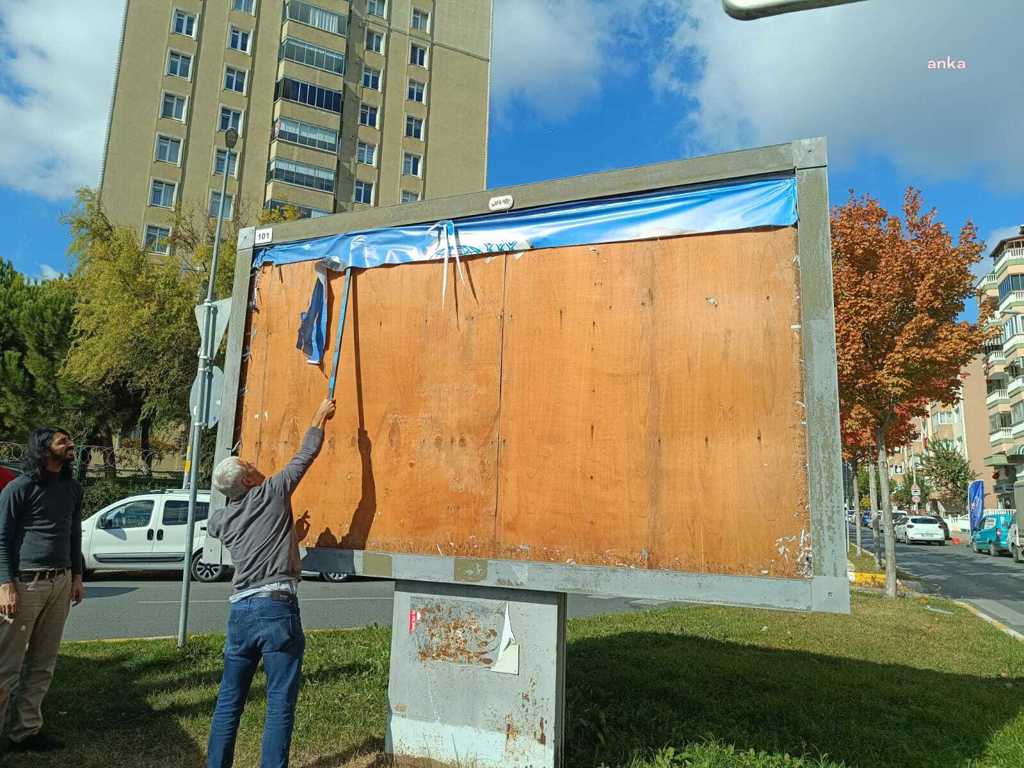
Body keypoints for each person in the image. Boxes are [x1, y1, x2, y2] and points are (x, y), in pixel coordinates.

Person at [206, 398, 335, 768]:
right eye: (250, 465)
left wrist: (289, 533)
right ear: (248, 480)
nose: (256, 465)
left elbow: (241, 531)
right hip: (276, 607)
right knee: (279, 699)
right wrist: (318, 414)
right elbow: (305, 455)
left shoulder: (223, 520)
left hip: (240, 611)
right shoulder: (272, 491)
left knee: (229, 699)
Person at [0, 428, 85, 753]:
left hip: (60, 582)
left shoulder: (72, 488)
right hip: (24, 583)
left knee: (43, 663)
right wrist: (5, 584)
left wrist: (77, 576)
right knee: (5, 667)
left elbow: (73, 533)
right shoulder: (19, 488)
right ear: (43, 448)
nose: (71, 444)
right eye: (64, 441)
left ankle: (26, 731)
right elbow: (2, 538)